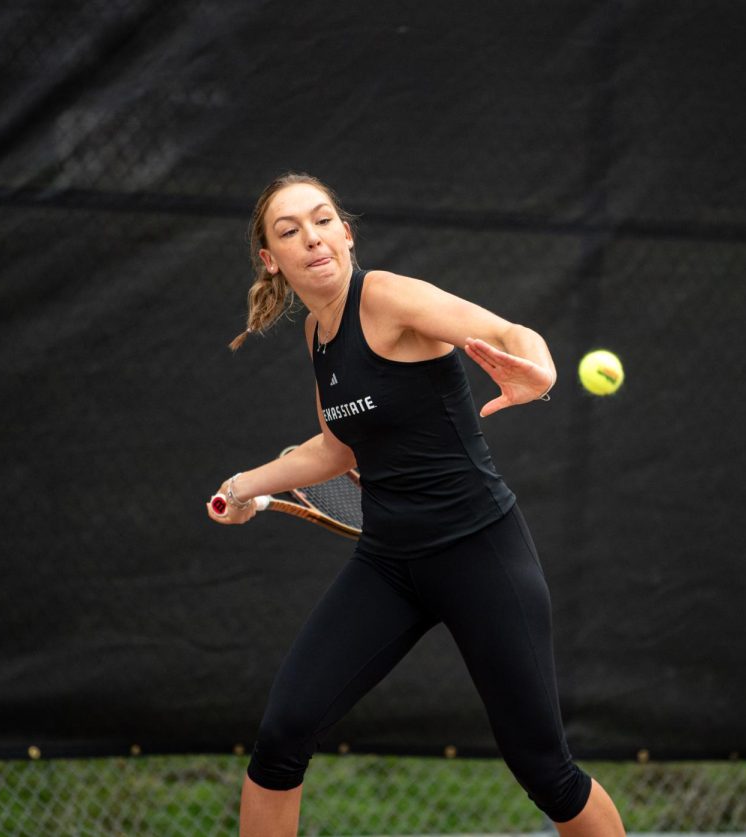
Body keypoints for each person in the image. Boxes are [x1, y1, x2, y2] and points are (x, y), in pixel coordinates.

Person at [207, 173, 627, 837]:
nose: (311, 236)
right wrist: (247, 482)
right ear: (270, 258)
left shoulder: (390, 297)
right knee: (282, 735)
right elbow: (337, 448)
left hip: (480, 553)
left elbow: (509, 332)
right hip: (389, 564)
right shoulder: (319, 334)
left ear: (346, 232)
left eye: (322, 220)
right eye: (289, 230)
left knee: (545, 768)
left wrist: (539, 370)